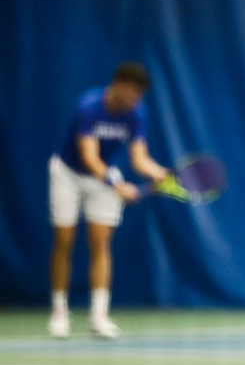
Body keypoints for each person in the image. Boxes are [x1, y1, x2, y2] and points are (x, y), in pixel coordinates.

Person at [48, 62, 170, 339]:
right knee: (64, 241)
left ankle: (99, 316)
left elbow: (139, 160)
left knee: (101, 244)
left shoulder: (137, 113)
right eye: (132, 93)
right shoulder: (88, 106)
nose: (135, 100)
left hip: (104, 178)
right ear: (117, 85)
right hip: (67, 174)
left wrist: (163, 174)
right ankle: (59, 311)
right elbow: (89, 157)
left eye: (139, 95)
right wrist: (117, 185)